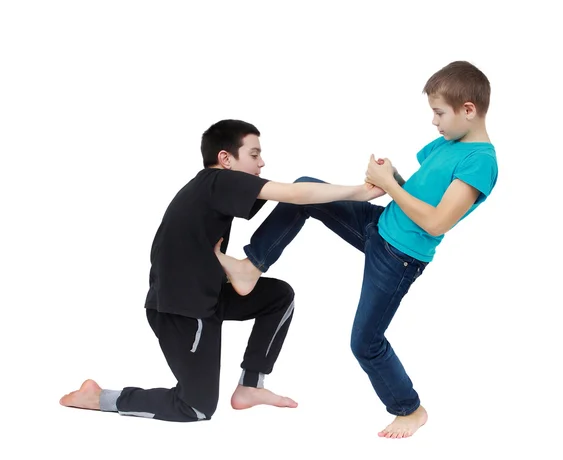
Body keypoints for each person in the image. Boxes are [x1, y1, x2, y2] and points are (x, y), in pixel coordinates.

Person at [214, 61, 499, 438]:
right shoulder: (449, 143)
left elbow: (436, 222)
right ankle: (252, 265)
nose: (434, 122)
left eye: (439, 113)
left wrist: (389, 185)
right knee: (305, 189)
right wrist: (393, 177)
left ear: (468, 109)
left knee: (365, 343)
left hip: (399, 259)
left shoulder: (480, 162)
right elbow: (419, 193)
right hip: (377, 227)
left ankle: (409, 409)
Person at [59, 119, 385, 422]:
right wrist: (361, 191)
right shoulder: (217, 181)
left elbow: (296, 200)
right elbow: (294, 192)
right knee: (196, 407)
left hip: (209, 297)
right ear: (225, 159)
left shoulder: (216, 189)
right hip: (182, 311)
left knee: (278, 296)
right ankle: (100, 397)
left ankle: (250, 385)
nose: (262, 163)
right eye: (254, 154)